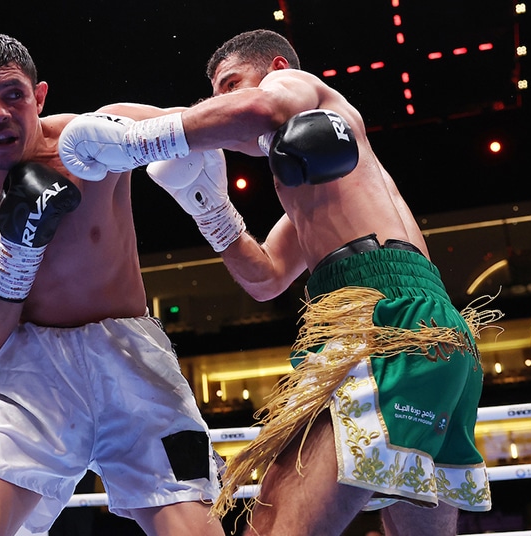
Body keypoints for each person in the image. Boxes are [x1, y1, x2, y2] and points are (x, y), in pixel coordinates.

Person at [58, 28, 502, 536]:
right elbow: (265, 277)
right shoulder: (313, 184)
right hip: (421, 332)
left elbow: (259, 111)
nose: (224, 103)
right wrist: (209, 207)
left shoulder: (300, 87)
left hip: (382, 324)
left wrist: (143, 136)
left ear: (272, 70)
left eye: (231, 85)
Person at [0, 33, 224, 536]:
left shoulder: (96, 139)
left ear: (39, 97)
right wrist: (17, 251)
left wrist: (289, 112)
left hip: (134, 366)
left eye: (13, 95)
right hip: (32, 379)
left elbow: (209, 127)